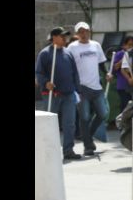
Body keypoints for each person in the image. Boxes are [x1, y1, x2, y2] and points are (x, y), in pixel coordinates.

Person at [35, 27, 82, 160]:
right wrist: (46, 83)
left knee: (70, 123)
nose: (65, 39)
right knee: (50, 123)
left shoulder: (68, 53)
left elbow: (74, 72)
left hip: (68, 94)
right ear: (54, 37)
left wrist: (77, 90)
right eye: (62, 36)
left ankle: (68, 150)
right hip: (51, 94)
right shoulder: (45, 54)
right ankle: (49, 150)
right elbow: (39, 72)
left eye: (66, 36)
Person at [67, 21, 112, 156]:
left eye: (86, 31)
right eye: (81, 31)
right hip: (81, 87)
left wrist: (107, 73)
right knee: (84, 117)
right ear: (77, 33)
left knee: (103, 114)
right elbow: (69, 67)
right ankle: (88, 146)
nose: (84, 34)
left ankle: (88, 136)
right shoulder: (72, 48)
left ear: (89, 32)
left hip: (96, 86)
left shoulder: (96, 45)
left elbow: (102, 63)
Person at [109, 36, 133, 113]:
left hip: (132, 85)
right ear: (124, 45)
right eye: (129, 45)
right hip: (122, 85)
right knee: (125, 105)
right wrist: (124, 58)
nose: (130, 47)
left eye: (132, 45)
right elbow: (115, 67)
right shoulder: (120, 54)